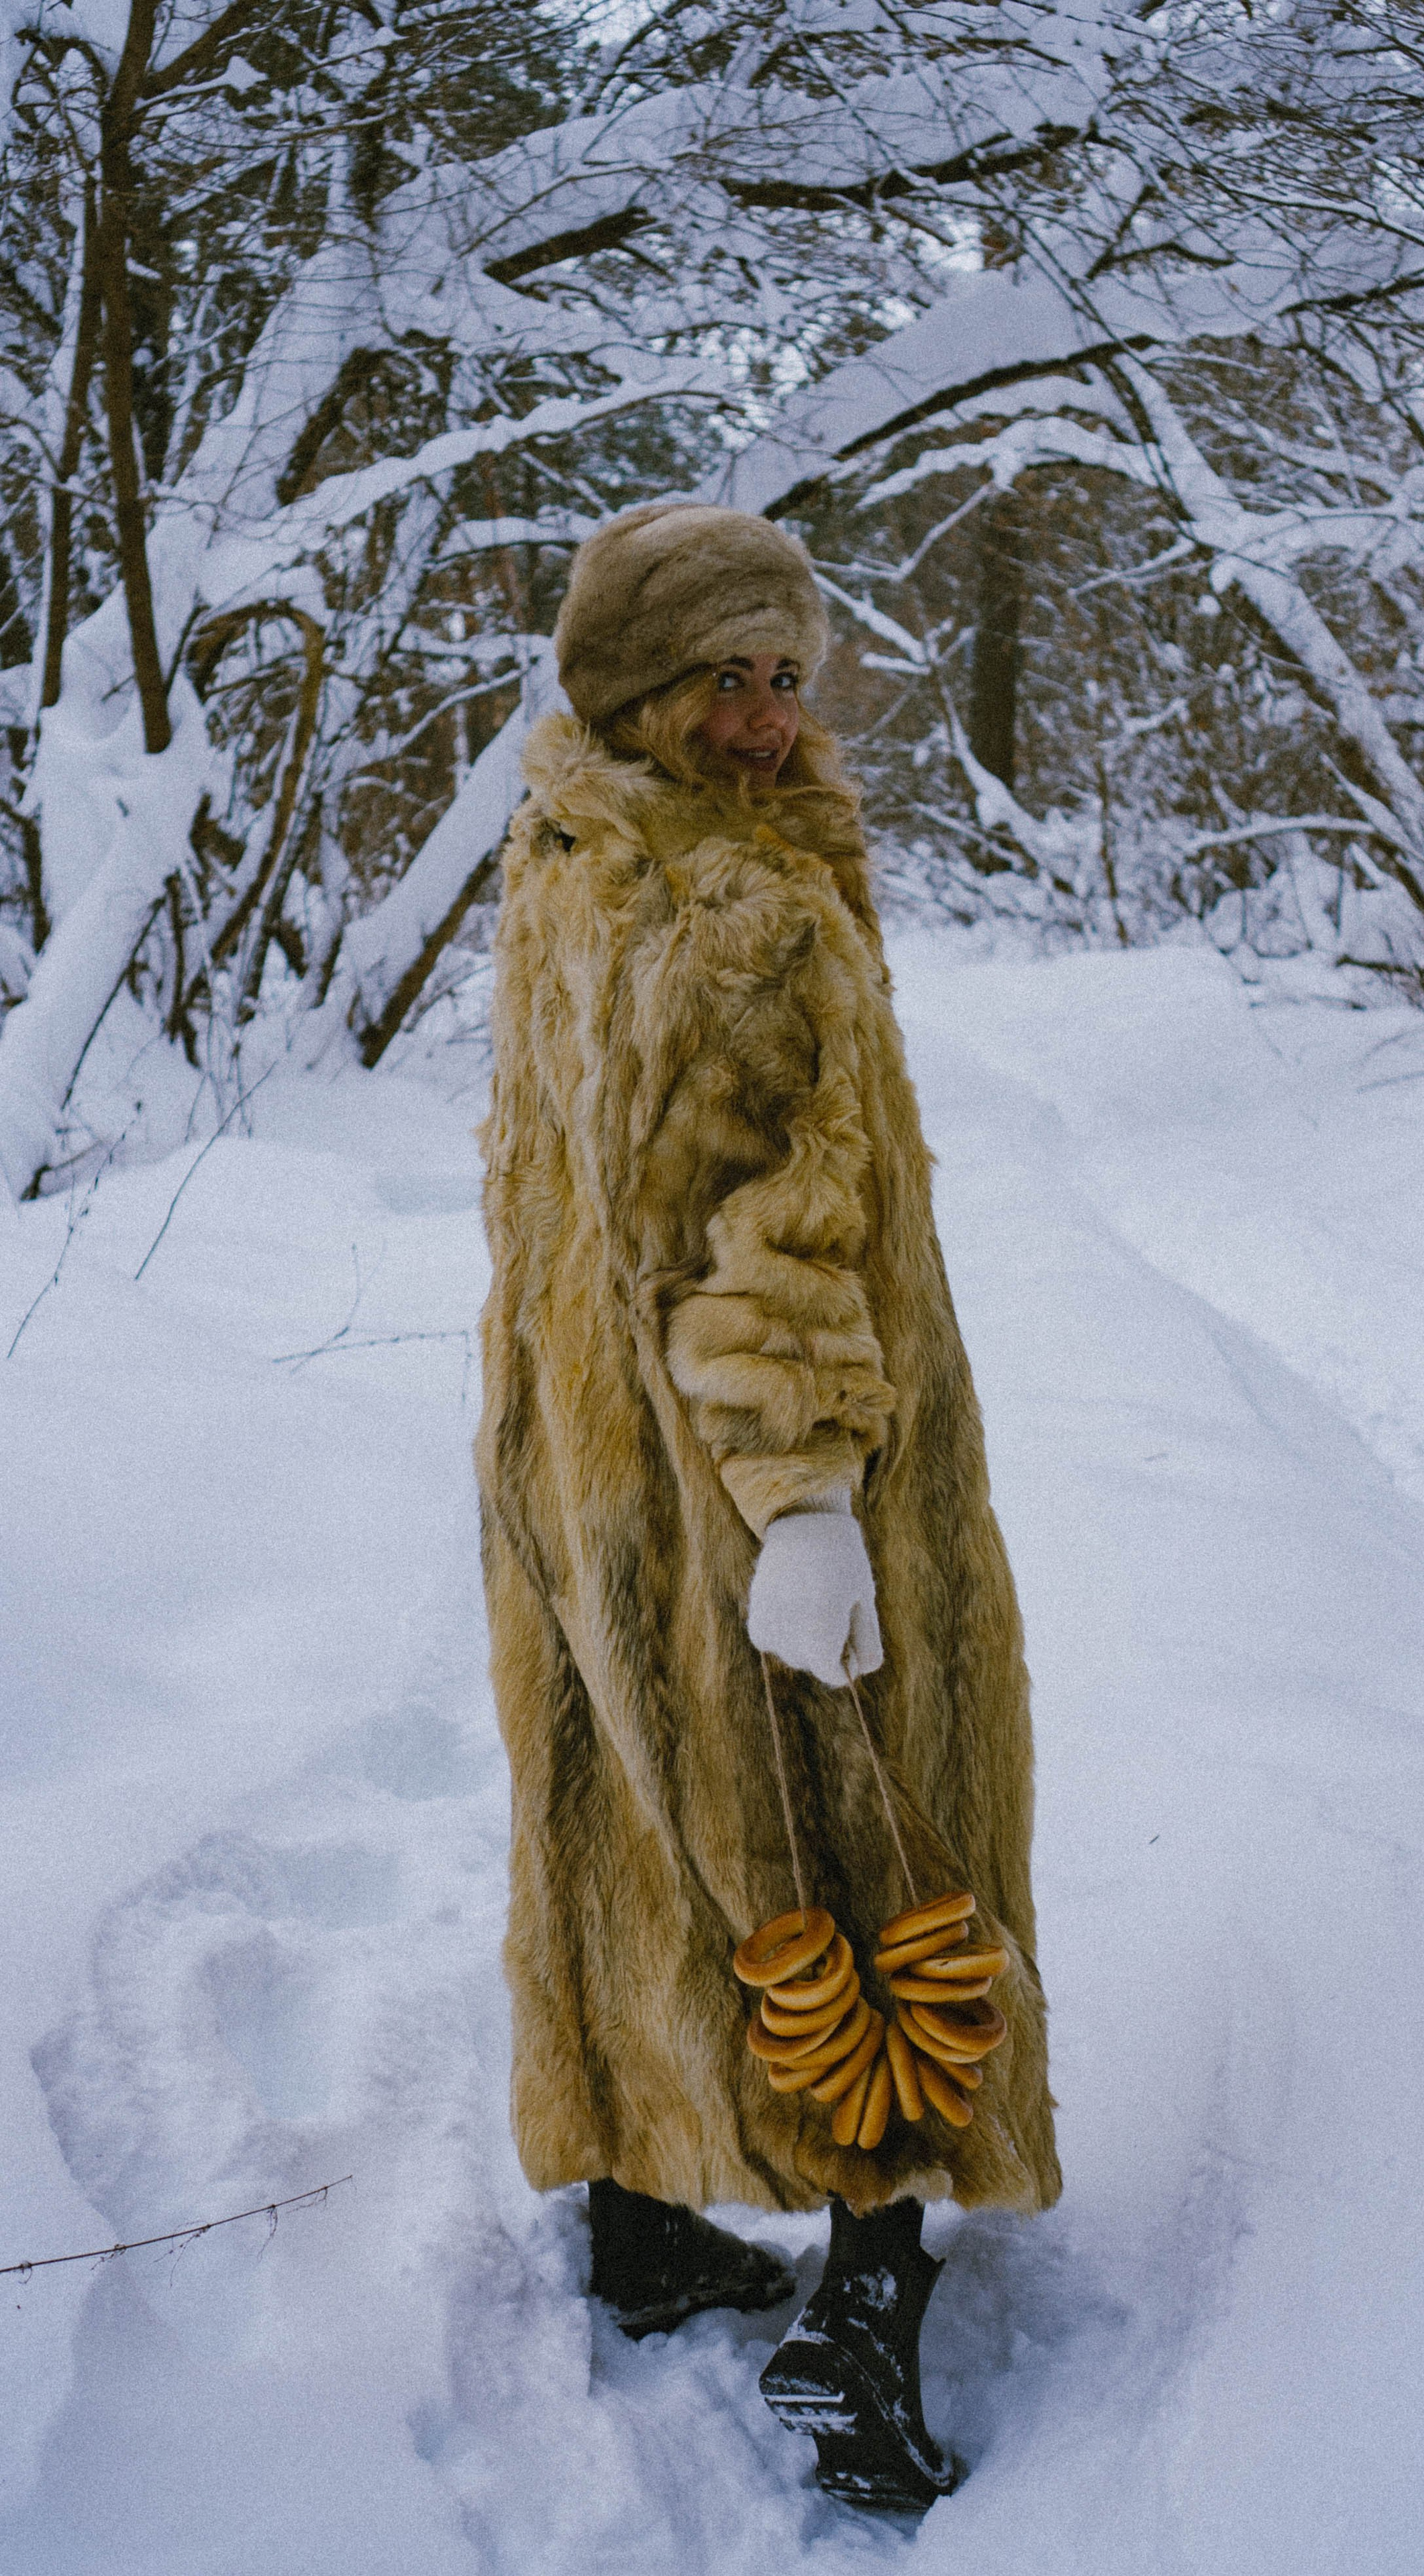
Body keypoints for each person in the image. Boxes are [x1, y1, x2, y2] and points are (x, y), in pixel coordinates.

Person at [474, 501, 1060, 2514]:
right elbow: (768, 1237)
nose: (763, 717)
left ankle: (642, 2220)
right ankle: (861, 2324)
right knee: (858, 1836)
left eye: (789, 676)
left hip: (599, 1467)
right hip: (759, 1474)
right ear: (631, 682)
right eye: (724, 674)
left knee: (651, 1819)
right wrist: (806, 1497)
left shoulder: (569, 858)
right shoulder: (738, 912)